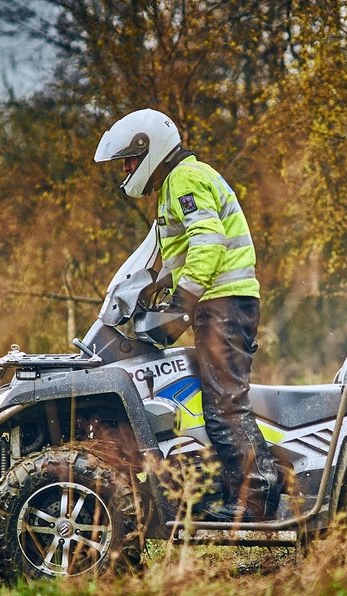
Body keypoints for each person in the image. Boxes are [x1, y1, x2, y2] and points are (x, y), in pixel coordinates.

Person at [95, 108, 280, 522]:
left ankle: (255, 499)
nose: (125, 169)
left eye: (129, 160)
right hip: (221, 301)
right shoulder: (174, 185)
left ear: (150, 150)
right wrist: (150, 289)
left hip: (225, 302)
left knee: (225, 401)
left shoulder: (184, 179)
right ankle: (234, 488)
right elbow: (172, 256)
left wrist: (182, 304)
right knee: (218, 397)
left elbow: (208, 243)